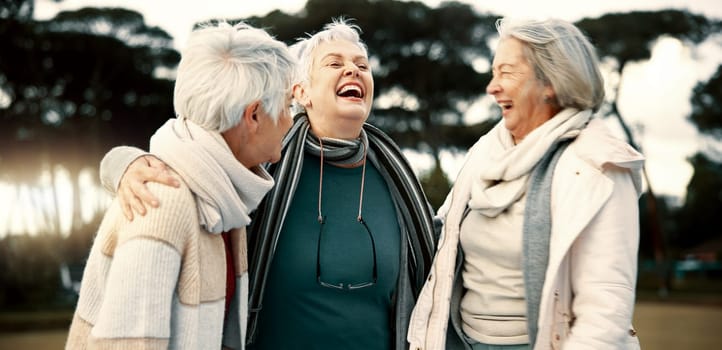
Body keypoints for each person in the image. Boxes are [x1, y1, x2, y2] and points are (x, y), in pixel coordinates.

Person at [94, 19, 437, 350]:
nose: (353, 70)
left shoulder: (400, 181)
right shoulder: (263, 161)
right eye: (335, 63)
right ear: (300, 92)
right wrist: (124, 164)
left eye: (362, 65)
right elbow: (192, 153)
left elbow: (445, 249)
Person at [407, 18, 644, 350]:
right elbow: (440, 242)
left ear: (551, 82)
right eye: (493, 73)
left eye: (507, 73)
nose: (492, 87)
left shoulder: (599, 165)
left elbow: (605, 310)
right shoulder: (485, 151)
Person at [65, 21, 296, 350]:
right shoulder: (164, 200)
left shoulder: (222, 194)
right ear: (254, 115)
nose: (290, 119)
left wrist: (118, 161)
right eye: (287, 107)